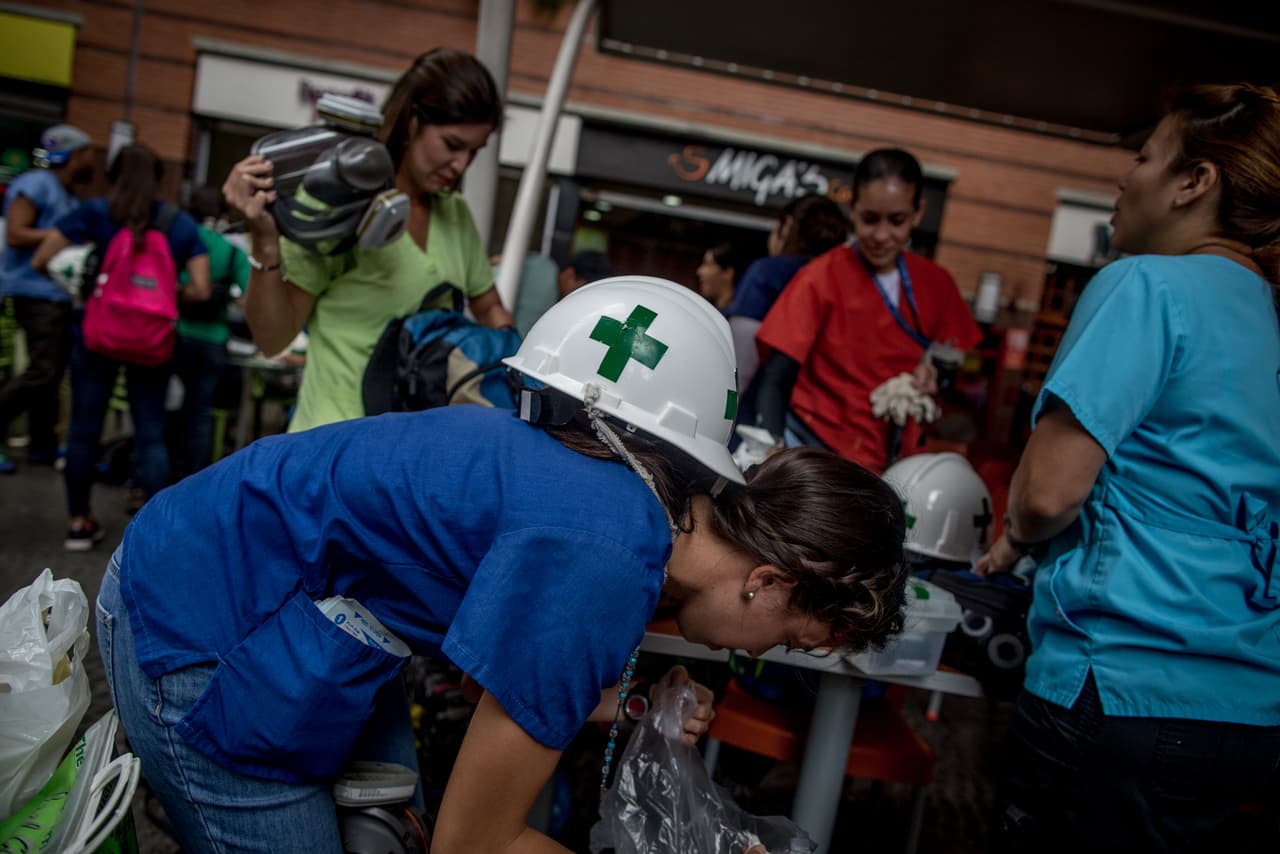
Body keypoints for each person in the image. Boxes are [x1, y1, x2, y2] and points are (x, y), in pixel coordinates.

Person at [94, 276, 909, 853]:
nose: (759, 656)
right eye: (791, 639)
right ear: (767, 580)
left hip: (288, 600)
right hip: (202, 606)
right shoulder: (610, 559)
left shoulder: (643, 511)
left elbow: (499, 686)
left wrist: (629, 711)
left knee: (386, 837)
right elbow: (475, 841)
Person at [974, 83, 1280, 853]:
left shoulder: (1147, 284)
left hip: (1117, 685)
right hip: (1246, 709)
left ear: (1195, 182)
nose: (1123, 178)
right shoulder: (1268, 318)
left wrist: (1014, 535)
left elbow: (1047, 493)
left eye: (1145, 156)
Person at [222, 48, 514, 433]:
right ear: (412, 123)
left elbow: (490, 307)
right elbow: (273, 338)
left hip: (408, 458)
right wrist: (265, 243)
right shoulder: (339, 201)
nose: (462, 165)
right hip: (331, 450)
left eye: (474, 151)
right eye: (452, 144)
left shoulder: (453, 213)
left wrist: (511, 367)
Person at [753, 149, 982, 473]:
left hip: (894, 458)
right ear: (853, 210)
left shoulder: (938, 285)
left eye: (897, 221)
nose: (882, 235)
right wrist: (771, 448)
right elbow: (776, 378)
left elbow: (952, 369)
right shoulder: (821, 277)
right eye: (870, 219)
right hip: (812, 446)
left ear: (918, 213)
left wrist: (934, 377)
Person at [32, 143, 211, 550]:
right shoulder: (178, 224)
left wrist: (89, 286)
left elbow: (43, 258)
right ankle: (152, 531)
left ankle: (79, 522)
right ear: (161, 178)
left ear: (112, 174)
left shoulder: (96, 212)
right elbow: (201, 288)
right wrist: (160, 297)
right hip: (153, 342)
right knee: (151, 432)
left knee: (83, 429)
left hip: (96, 337)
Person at [0, 124, 95, 473]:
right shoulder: (36, 185)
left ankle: (42, 446)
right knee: (41, 372)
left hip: (53, 294)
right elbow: (15, 233)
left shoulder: (65, 192)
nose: (92, 162)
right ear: (74, 155)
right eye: (88, 154)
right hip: (33, 290)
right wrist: (63, 237)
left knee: (52, 374)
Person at [727, 194, 848, 421]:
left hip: (756, 416)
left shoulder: (767, 272)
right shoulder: (844, 284)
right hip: (820, 422)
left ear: (788, 226)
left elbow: (737, 369)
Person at [171, 186, 251, 476]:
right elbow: (248, 297)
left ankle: (156, 478)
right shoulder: (231, 251)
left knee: (167, 409)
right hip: (214, 340)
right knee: (200, 413)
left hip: (176, 336)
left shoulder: (181, 240)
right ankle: (192, 480)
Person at [695, 241, 742, 313]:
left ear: (728, 273)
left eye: (708, 264)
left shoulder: (737, 317)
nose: (699, 271)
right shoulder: (708, 311)